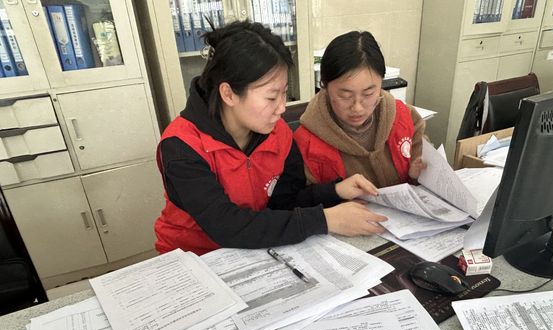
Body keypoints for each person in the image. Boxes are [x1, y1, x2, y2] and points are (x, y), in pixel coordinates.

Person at [154, 21, 387, 255]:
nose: (282, 108)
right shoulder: (182, 146)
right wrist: (324, 219)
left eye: (284, 93)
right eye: (271, 97)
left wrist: (335, 191)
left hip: (253, 250)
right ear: (229, 94)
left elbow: (284, 202)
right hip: (193, 257)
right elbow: (226, 225)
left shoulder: (278, 133)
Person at [294, 31, 426, 187]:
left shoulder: (406, 119)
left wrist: (417, 176)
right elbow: (306, 198)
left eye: (368, 94)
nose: (357, 108)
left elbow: (426, 176)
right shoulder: (306, 144)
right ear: (325, 87)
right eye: (345, 96)